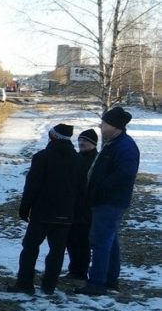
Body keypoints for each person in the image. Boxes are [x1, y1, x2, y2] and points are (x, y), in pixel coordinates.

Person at [9, 123, 83, 295]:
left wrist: (24, 208)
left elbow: (32, 186)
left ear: (53, 137)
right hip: (66, 214)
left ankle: (25, 283)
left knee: (30, 247)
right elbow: (81, 189)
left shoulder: (42, 157)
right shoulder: (78, 160)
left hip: (42, 213)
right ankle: (49, 286)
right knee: (57, 252)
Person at [76, 106, 140, 296]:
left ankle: (97, 283)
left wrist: (99, 189)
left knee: (101, 241)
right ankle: (110, 279)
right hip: (106, 200)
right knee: (109, 241)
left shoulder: (125, 146)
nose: (101, 125)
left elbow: (125, 175)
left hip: (110, 201)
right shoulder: (113, 143)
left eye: (104, 123)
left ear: (115, 126)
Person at [65, 129, 99, 280]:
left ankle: (81, 272)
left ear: (93, 143)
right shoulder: (77, 157)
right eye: (80, 140)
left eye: (85, 141)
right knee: (71, 239)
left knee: (82, 241)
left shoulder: (96, 160)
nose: (82, 143)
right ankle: (74, 270)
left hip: (86, 207)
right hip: (73, 205)